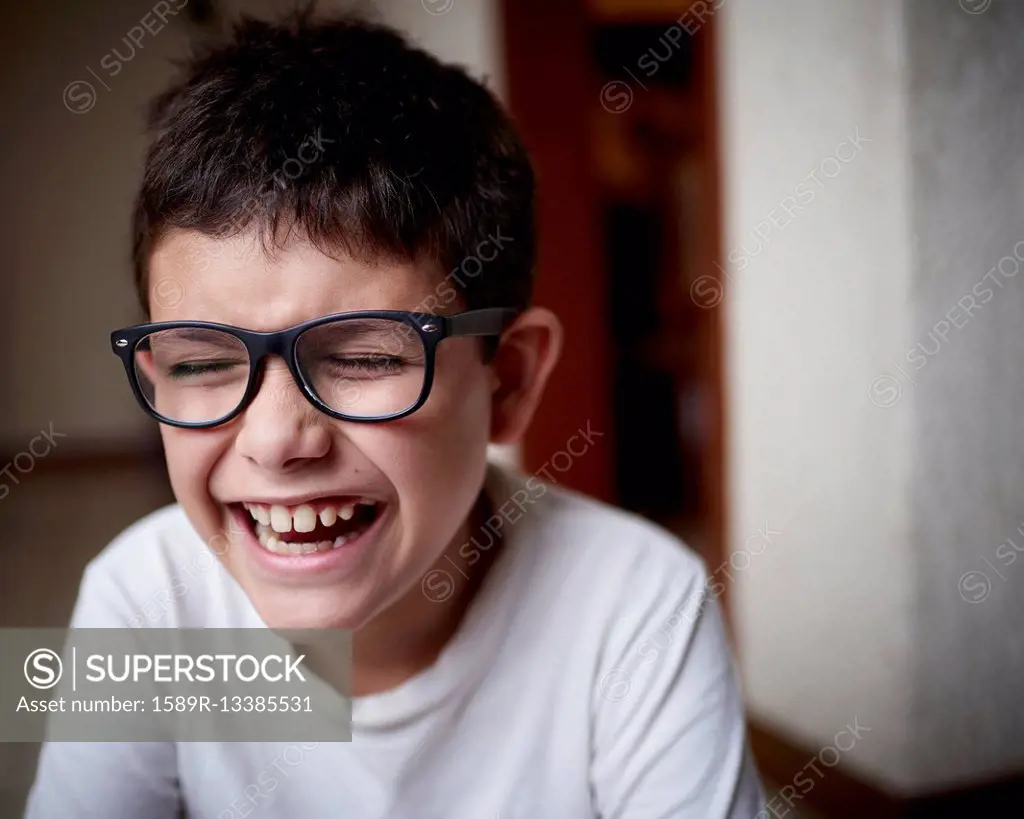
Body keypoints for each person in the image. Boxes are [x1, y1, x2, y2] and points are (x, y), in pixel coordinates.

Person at [26, 10, 764, 818]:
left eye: (366, 357)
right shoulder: (146, 600)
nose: (275, 440)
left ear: (508, 383)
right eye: (201, 362)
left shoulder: (634, 606)